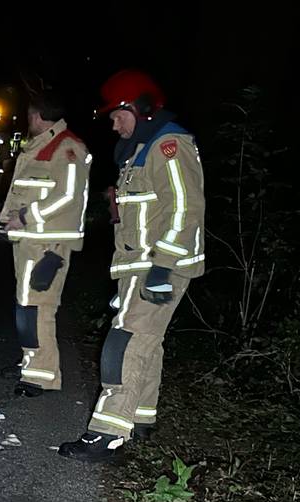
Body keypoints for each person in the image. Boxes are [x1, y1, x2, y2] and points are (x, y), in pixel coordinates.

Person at [59, 69, 205, 462]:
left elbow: (186, 208)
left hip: (160, 267)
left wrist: (163, 266)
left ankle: (107, 435)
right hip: (138, 267)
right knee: (147, 342)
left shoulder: (169, 145)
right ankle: (140, 420)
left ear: (140, 108)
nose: (112, 122)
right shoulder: (139, 152)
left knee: (125, 343)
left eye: (117, 114)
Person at [0, 89, 91, 397]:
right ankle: (31, 364)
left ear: (37, 115)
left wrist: (25, 216)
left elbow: (67, 195)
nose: (27, 120)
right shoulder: (39, 146)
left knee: (38, 307)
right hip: (29, 241)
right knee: (27, 305)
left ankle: (43, 376)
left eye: (28, 115)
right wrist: (7, 216)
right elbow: (27, 192)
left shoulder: (68, 148)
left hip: (48, 245)